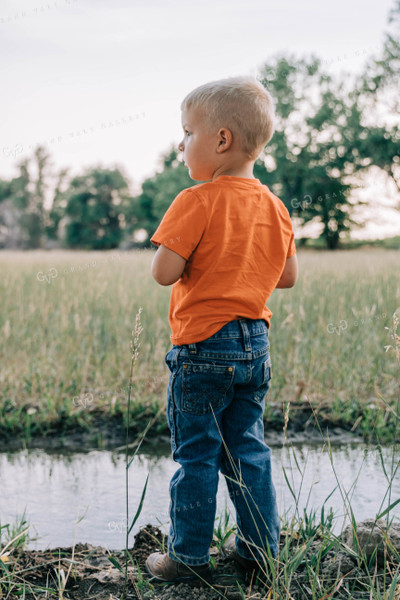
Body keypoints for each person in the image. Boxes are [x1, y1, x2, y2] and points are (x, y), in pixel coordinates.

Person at [145, 76, 298, 585]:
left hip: (203, 348)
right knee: (248, 449)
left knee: (197, 455)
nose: (182, 143)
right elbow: (288, 277)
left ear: (222, 140)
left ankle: (188, 557)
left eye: (187, 132)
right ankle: (259, 552)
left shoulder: (197, 201)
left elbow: (164, 272)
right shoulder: (275, 207)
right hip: (254, 345)